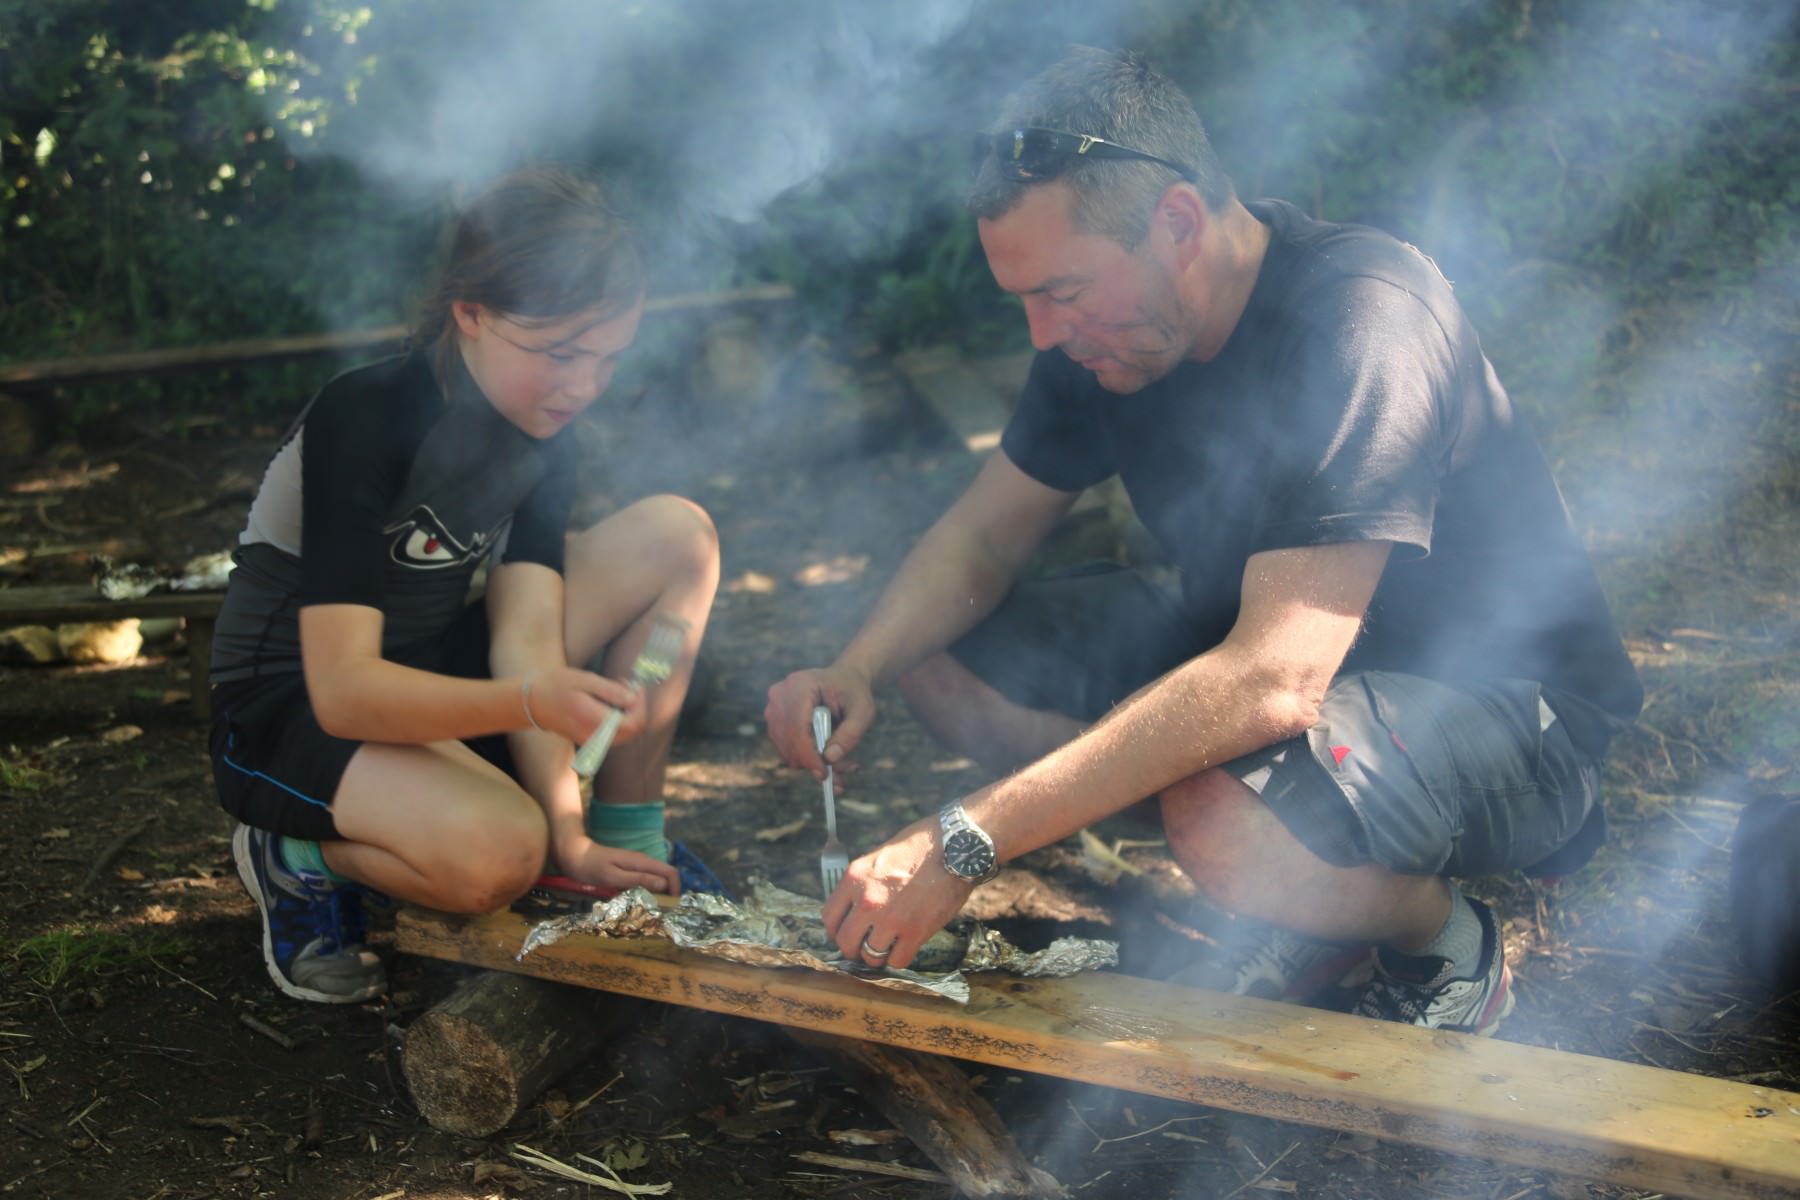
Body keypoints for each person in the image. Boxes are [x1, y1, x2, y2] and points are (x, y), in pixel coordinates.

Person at [764, 48, 1642, 1033]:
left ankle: (1443, 939)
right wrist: (860, 668)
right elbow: (979, 540)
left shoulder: (1362, 318)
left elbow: (1273, 676)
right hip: (1273, 675)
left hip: (1506, 715)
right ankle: (1304, 897)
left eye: (1059, 291)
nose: (1042, 334)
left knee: (1220, 811)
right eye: (1023, 300)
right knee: (939, 655)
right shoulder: (1104, 338)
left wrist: (968, 840)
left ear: (1178, 223)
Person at [210, 165, 724, 1005]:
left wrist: (572, 833)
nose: (584, 387)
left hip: (434, 679)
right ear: (472, 312)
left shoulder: (551, 437)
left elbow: (526, 639)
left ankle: (625, 844)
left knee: (678, 535)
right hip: (289, 707)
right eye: (560, 353)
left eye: (608, 359)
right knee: (500, 856)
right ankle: (292, 858)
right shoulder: (366, 413)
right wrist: (530, 705)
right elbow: (344, 694)